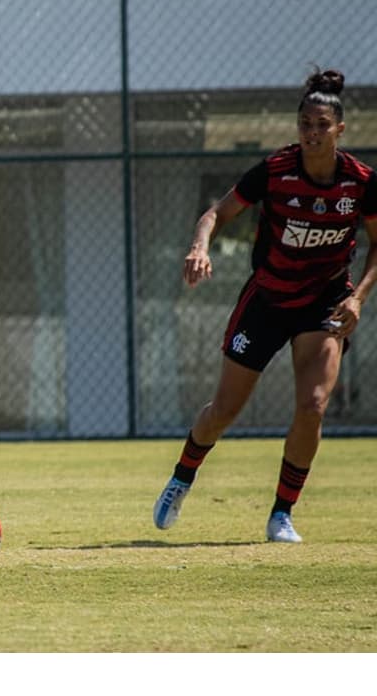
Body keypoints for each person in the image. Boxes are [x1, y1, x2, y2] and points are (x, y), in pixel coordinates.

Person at [152, 68, 377, 543]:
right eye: (305, 124)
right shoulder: (276, 171)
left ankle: (281, 514)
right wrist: (199, 246)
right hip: (267, 300)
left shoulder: (359, 183)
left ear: (340, 130)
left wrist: (357, 298)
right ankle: (182, 477)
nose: (312, 133)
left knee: (313, 405)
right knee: (226, 410)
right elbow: (216, 213)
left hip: (325, 303)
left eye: (322, 125)